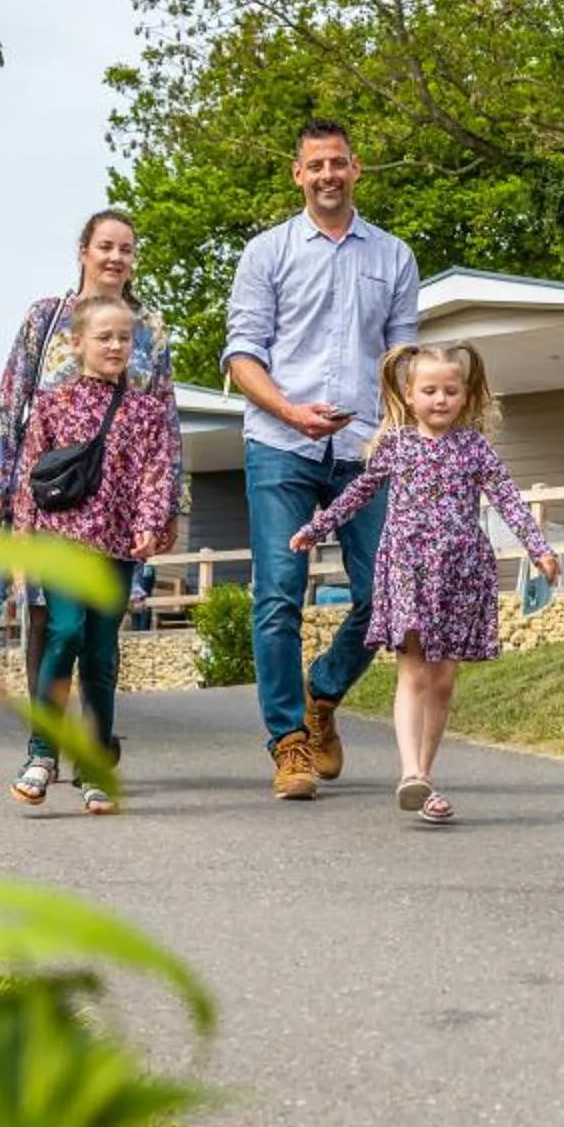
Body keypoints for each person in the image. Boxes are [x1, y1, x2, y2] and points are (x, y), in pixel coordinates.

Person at [223, 122, 422, 800]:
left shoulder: (393, 256)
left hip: (366, 452)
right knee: (278, 593)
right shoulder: (267, 253)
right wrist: (289, 411)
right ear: (297, 174)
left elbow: (403, 361)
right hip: (281, 446)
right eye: (316, 165)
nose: (328, 174)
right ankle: (288, 744)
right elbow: (242, 354)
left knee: (383, 595)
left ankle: (323, 694)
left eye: (339, 163)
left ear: (356, 169)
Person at [290, 342, 561, 828]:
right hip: (409, 570)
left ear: (465, 396)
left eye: (450, 391)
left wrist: (538, 548)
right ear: (409, 395)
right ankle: (410, 772)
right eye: (429, 390)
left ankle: (425, 777)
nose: (440, 399)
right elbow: (360, 492)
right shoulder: (396, 444)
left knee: (443, 677)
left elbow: (508, 498)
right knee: (414, 672)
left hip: (460, 573)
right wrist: (317, 527)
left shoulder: (474, 447)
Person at [0, 210, 187, 782]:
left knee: (97, 630)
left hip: (116, 505)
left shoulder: (151, 330)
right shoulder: (46, 318)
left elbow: (166, 422)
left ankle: (92, 736)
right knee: (47, 620)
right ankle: (46, 747)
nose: (116, 258)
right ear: (83, 251)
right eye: (106, 246)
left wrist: (167, 506)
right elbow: (11, 395)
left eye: (127, 249)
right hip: (48, 497)